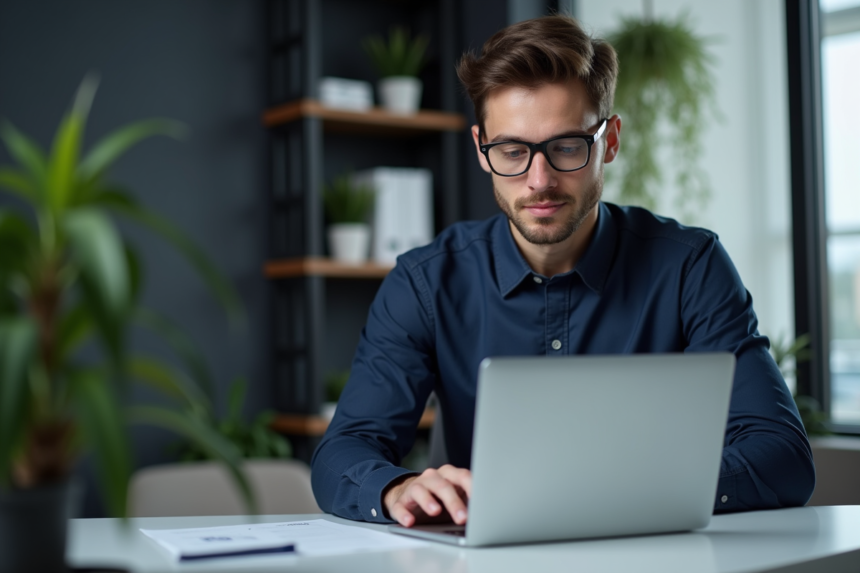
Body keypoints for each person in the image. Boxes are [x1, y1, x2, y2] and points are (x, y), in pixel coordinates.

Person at [310, 15, 815, 527]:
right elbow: (343, 454)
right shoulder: (423, 283)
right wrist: (395, 487)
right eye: (512, 151)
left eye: (567, 147)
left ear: (610, 141)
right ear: (482, 150)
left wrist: (623, 493)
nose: (539, 180)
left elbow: (782, 457)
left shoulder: (690, 266)